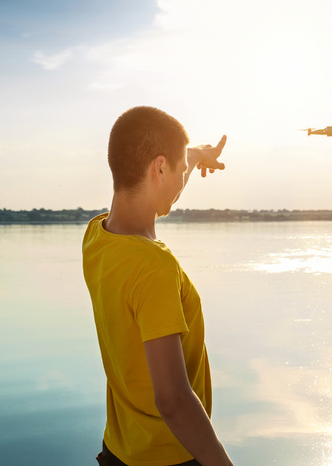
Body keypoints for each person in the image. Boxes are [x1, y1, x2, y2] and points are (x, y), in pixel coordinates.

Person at [82, 106, 234, 466]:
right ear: (159, 168)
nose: (183, 181)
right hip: (170, 457)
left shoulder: (96, 236)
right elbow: (173, 400)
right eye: (180, 170)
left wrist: (195, 156)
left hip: (118, 451)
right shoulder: (154, 267)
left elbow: (166, 175)